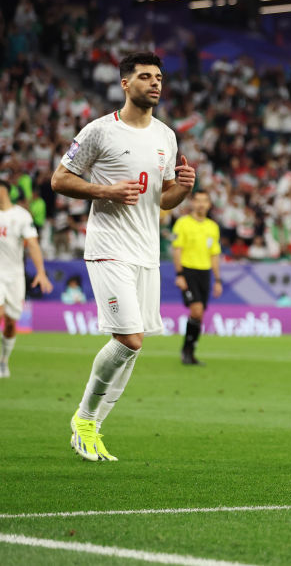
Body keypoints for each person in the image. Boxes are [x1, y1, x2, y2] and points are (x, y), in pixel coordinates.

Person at [52, 52, 195, 462]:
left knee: (134, 345)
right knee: (128, 338)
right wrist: (105, 190)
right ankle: (83, 418)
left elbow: (162, 200)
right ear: (125, 84)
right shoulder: (99, 132)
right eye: (145, 77)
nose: (155, 84)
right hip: (109, 248)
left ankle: (92, 426)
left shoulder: (166, 136)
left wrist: (182, 189)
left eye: (159, 78)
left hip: (147, 252)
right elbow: (59, 179)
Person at [0, 178, 53, 378]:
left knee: (12, 322)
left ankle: (3, 361)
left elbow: (32, 244)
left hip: (14, 275)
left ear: (4, 191)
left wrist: (40, 271)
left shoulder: (21, 216)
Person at [171, 190, 222, 366]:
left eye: (204, 201)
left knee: (199, 315)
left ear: (209, 204)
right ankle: (187, 351)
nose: (201, 204)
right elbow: (177, 250)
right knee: (197, 310)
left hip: (204, 273)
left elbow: (214, 255)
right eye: (198, 200)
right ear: (192, 203)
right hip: (188, 271)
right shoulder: (183, 223)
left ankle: (190, 352)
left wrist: (217, 280)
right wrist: (179, 274)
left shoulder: (212, 227)